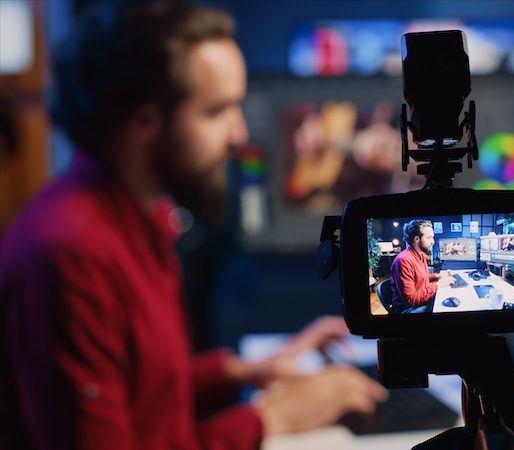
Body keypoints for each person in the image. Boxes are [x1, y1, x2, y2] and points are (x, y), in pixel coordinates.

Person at [0, 2, 385, 450]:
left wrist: (244, 371)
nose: (240, 135)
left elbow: (140, 389)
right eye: (217, 111)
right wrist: (269, 418)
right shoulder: (73, 255)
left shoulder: (138, 219)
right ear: (144, 120)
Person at [389, 219, 454, 313]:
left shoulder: (420, 255)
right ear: (416, 239)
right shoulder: (404, 260)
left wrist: (438, 275)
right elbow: (411, 299)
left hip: (420, 301)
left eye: (433, 238)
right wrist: (438, 285)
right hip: (408, 309)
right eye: (429, 238)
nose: (433, 242)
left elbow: (420, 277)